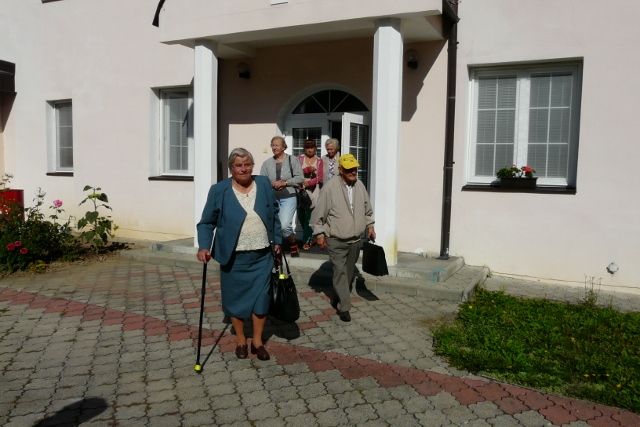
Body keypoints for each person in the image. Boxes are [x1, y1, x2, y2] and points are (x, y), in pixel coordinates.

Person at [196, 148, 281, 361]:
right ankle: (241, 340)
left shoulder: (263, 183)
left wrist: (278, 240)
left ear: (252, 165)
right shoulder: (219, 190)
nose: (243, 169)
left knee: (262, 299)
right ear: (231, 168)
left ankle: (257, 342)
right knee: (235, 299)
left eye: (247, 164)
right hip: (233, 258)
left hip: (262, 255)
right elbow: (206, 223)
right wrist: (204, 246)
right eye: (238, 165)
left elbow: (274, 214)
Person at [311, 153, 375, 322]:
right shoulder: (330, 187)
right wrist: (319, 234)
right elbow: (318, 214)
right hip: (336, 239)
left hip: (355, 240)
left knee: (348, 272)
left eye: (354, 168)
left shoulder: (359, 185)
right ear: (340, 170)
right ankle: (344, 308)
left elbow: (367, 210)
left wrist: (370, 226)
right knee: (340, 272)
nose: (353, 172)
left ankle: (338, 295)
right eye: (349, 169)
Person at [260, 136, 304, 257]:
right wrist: (271, 184)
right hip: (272, 198)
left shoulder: (292, 160)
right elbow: (262, 181)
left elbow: (300, 178)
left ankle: (293, 243)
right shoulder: (267, 163)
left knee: (284, 226)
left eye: (277, 145)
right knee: (273, 225)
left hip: (288, 196)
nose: (274, 147)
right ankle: (277, 252)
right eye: (272, 145)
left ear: (283, 147)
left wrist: (285, 182)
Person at [296, 139, 323, 251]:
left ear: (315, 148)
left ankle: (306, 240)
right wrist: (307, 170)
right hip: (300, 189)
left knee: (309, 215)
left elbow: (320, 177)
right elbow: (295, 172)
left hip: (313, 190)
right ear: (304, 149)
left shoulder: (319, 161)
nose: (310, 150)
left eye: (312, 148)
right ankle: (313, 235)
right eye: (307, 148)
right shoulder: (299, 158)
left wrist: (310, 182)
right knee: (301, 214)